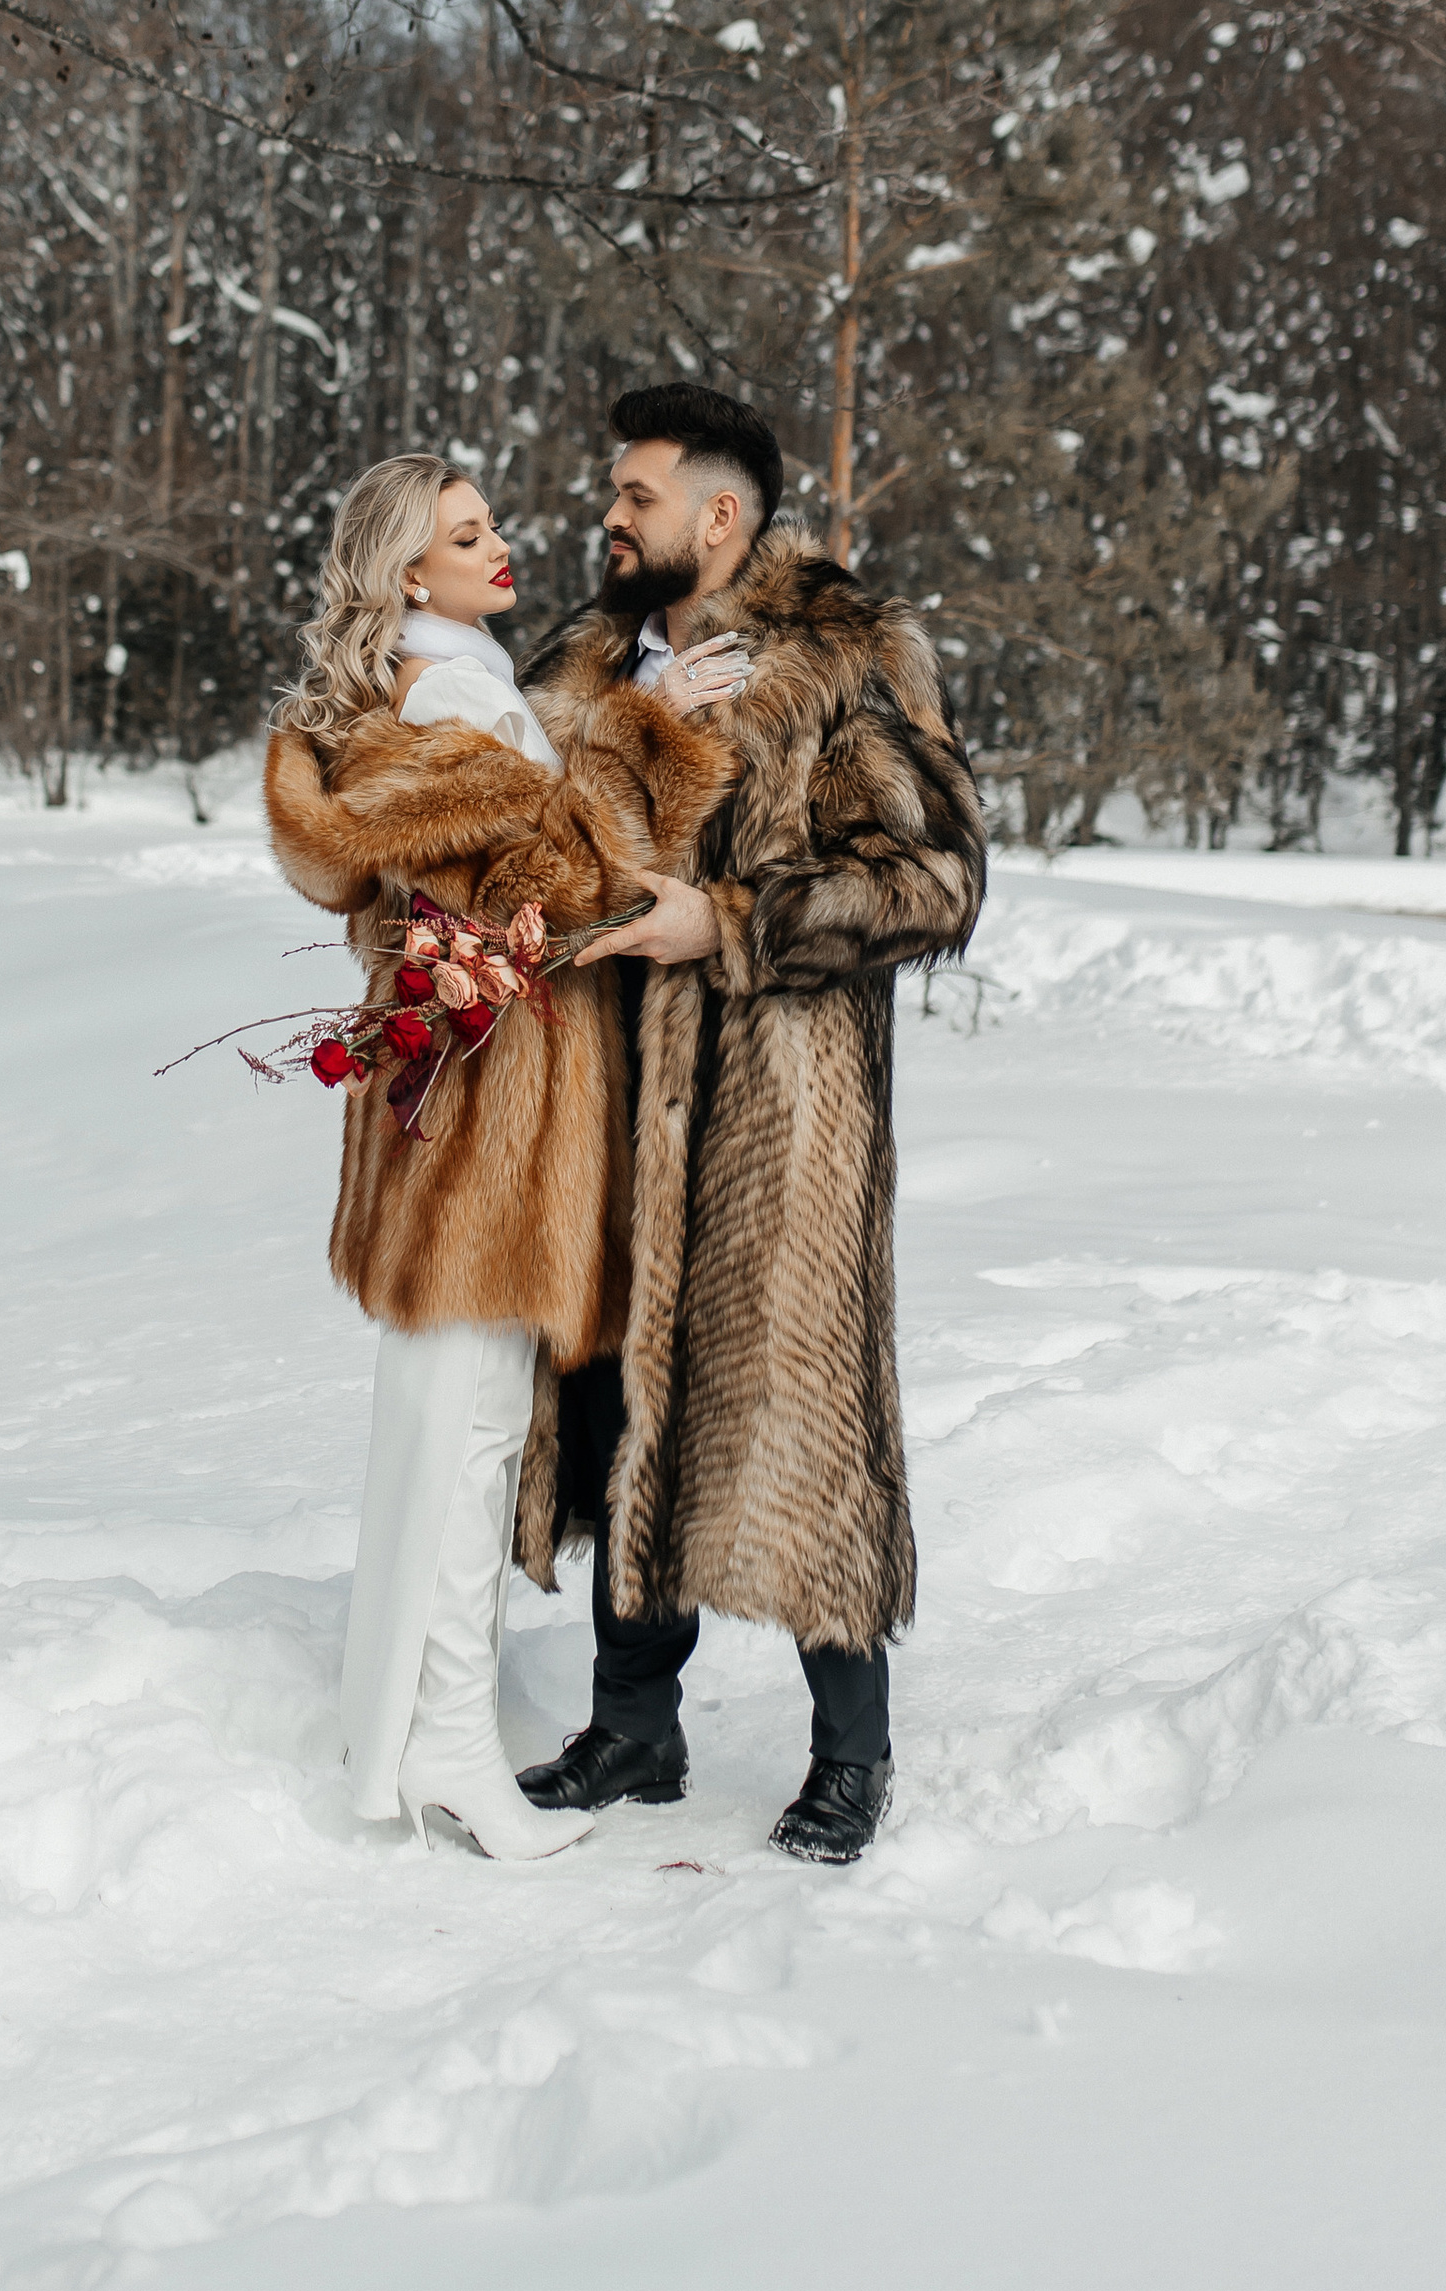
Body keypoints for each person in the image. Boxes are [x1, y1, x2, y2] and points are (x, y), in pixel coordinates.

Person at [513, 384, 987, 1864]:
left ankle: (852, 1754)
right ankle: (633, 1727)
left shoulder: (846, 660)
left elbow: (934, 883)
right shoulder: (588, 661)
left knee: (795, 1419)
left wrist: (720, 922)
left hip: (778, 1123)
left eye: (634, 494)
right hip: (602, 1105)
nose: (609, 516)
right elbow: (517, 834)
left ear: (719, 515)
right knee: (615, 1402)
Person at [264, 454, 732, 1860]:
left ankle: (400, 1737)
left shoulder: (411, 684)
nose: (501, 546)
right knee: (471, 1437)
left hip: (443, 1103)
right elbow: (556, 881)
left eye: (491, 525)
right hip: (488, 1122)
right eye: (468, 536)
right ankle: (451, 1752)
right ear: (412, 573)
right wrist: (652, 732)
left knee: (445, 1431)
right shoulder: (455, 692)